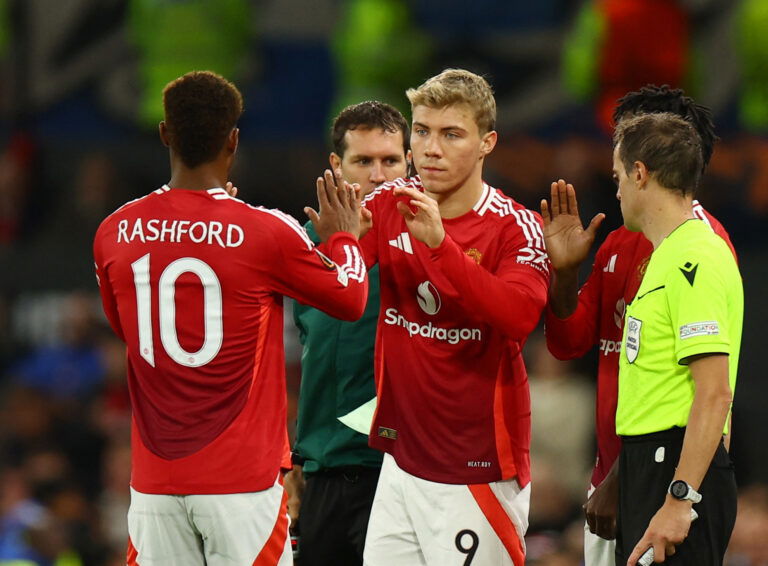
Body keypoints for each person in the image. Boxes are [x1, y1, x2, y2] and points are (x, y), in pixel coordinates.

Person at [93, 70, 368, 566]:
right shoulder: (265, 231)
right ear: (234, 140)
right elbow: (349, 298)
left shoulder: (115, 231)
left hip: (154, 484)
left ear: (164, 135)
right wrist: (344, 237)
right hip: (241, 485)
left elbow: (126, 331)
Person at [358, 69, 550, 565]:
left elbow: (520, 317)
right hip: (402, 465)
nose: (430, 149)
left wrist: (442, 247)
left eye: (451, 134)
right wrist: (334, 244)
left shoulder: (514, 226)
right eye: (421, 131)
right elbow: (333, 287)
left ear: (487, 143)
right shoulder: (387, 204)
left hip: (477, 468)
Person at [541, 85, 735, 566]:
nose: (616, 181)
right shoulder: (624, 244)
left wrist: (670, 494)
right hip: (625, 470)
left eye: (621, 165)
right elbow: (570, 344)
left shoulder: (699, 252)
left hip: (661, 474)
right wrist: (564, 272)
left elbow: (710, 393)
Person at [288, 101, 411, 565]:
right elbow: (310, 359)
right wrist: (294, 461)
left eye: (390, 161)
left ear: (409, 162)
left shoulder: (432, 245)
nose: (379, 176)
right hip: (323, 474)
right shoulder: (300, 245)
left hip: (402, 473)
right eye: (364, 162)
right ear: (337, 166)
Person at [616, 113, 740, 564]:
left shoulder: (695, 257)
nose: (618, 193)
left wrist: (680, 499)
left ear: (640, 173)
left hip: (673, 468)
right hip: (651, 463)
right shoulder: (668, 256)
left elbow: (714, 392)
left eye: (619, 178)